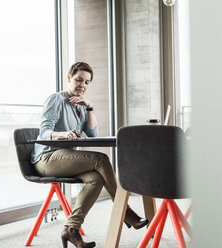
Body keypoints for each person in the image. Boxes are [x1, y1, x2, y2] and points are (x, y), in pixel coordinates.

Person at [31, 62, 148, 248]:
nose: (82, 86)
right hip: (47, 158)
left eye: (86, 82)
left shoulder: (81, 105)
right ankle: (125, 211)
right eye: (78, 80)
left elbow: (92, 134)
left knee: (95, 179)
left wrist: (90, 108)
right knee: (101, 159)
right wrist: (64, 133)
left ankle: (71, 229)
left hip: (66, 160)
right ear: (69, 78)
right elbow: (44, 132)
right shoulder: (56, 99)